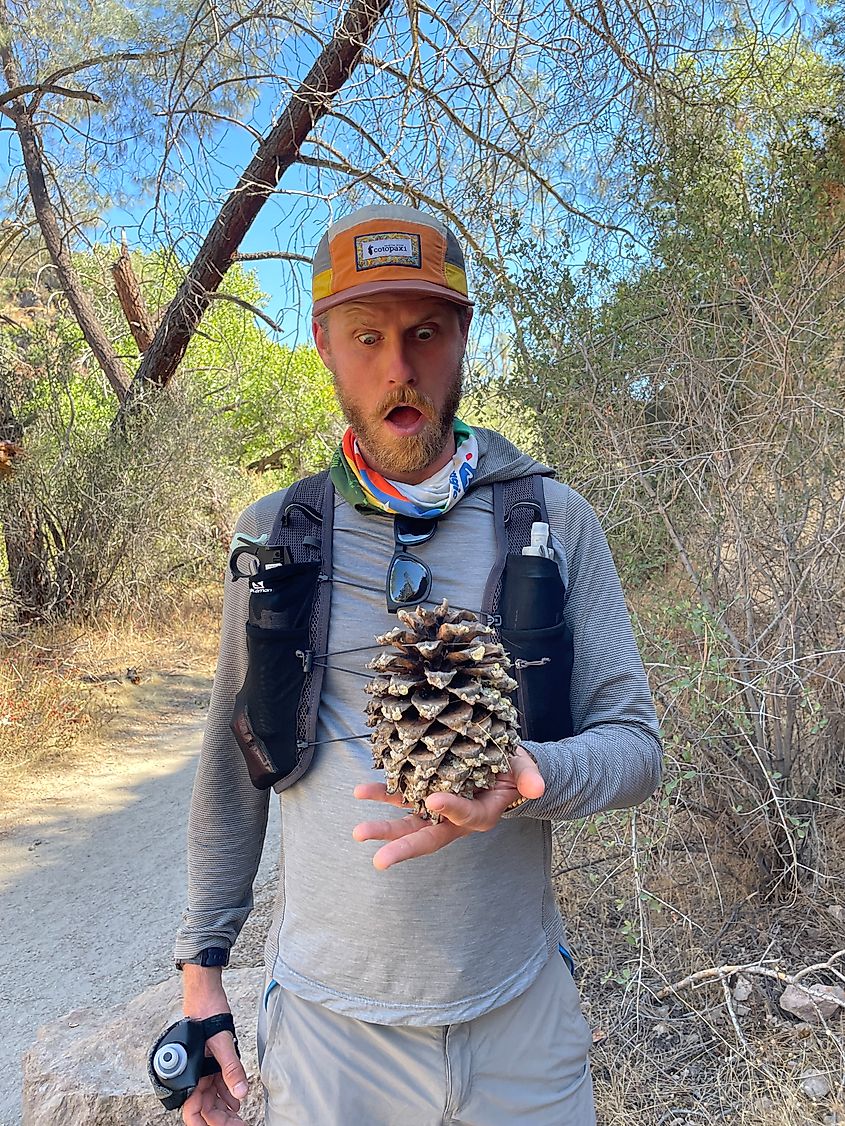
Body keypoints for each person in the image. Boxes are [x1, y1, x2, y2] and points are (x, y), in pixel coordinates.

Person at [174, 204, 662, 1126]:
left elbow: (636, 747)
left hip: (520, 1015)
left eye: (424, 333)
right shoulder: (273, 534)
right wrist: (202, 979)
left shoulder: (554, 522)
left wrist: (529, 778)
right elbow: (227, 763)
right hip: (327, 1031)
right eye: (367, 336)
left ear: (463, 337)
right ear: (322, 344)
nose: (397, 367)